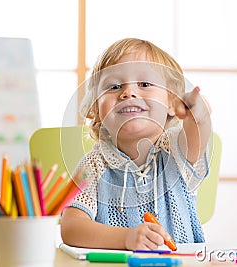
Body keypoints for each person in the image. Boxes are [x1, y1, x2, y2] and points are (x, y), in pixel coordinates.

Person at [61, 38, 212, 250]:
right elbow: (71, 227)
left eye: (144, 84)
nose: (128, 93)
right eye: (113, 86)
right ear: (96, 109)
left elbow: (198, 133)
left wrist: (198, 113)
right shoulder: (94, 164)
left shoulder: (175, 152)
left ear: (171, 102)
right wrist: (125, 238)